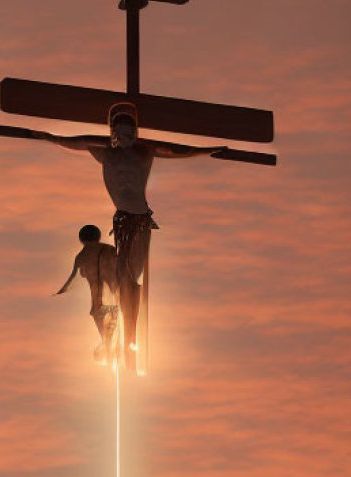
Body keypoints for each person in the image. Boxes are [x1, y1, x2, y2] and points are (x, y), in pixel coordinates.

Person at [37, 102, 222, 370]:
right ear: (112, 132)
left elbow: (178, 151)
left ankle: (130, 335)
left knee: (132, 275)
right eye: (119, 132)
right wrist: (49, 137)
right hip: (123, 220)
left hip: (140, 220)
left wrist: (207, 151)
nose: (124, 138)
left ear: (135, 133)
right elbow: (73, 142)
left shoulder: (144, 152)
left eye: (129, 132)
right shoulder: (105, 154)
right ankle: (126, 334)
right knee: (124, 275)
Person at [54, 225, 120, 365]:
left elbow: (73, 279)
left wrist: (60, 292)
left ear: (81, 239)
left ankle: (108, 345)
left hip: (98, 301)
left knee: (99, 315)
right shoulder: (109, 250)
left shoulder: (81, 257)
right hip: (116, 297)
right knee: (112, 316)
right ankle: (110, 344)